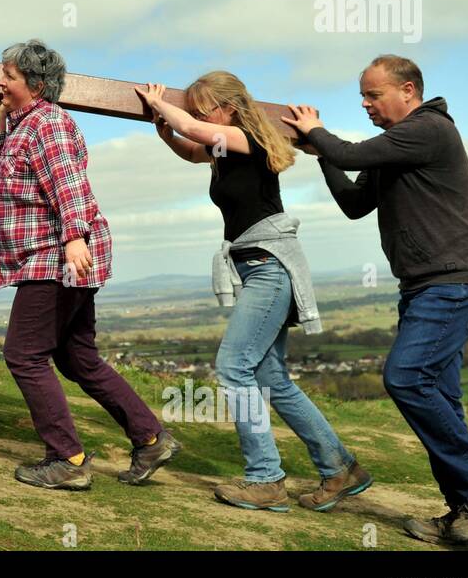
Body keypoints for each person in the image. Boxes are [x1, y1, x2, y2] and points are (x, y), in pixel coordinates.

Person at [282, 54, 468, 544]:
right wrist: (323, 153)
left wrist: (318, 134)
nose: (366, 104)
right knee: (442, 399)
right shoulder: (394, 149)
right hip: (423, 286)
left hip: (454, 282)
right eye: (362, 97)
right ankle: (464, 514)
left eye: (373, 94)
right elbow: (352, 203)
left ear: (407, 90)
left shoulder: (429, 128)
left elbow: (349, 153)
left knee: (406, 378)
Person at [138, 72, 367, 512]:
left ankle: (265, 479)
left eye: (206, 106)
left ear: (230, 107)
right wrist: (163, 130)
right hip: (257, 266)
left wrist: (161, 103)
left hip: (269, 266)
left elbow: (195, 129)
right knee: (270, 378)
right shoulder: (225, 150)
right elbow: (191, 147)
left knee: (233, 366)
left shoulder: (247, 139)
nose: (200, 114)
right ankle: (340, 468)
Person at [0, 40, 174, 491]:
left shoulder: (47, 124)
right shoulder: (23, 125)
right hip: (56, 256)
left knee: (24, 354)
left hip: (53, 258)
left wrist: (73, 237)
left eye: (8, 77)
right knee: (78, 358)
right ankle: (149, 438)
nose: (0, 82)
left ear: (34, 83)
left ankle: (67, 459)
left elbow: (68, 184)